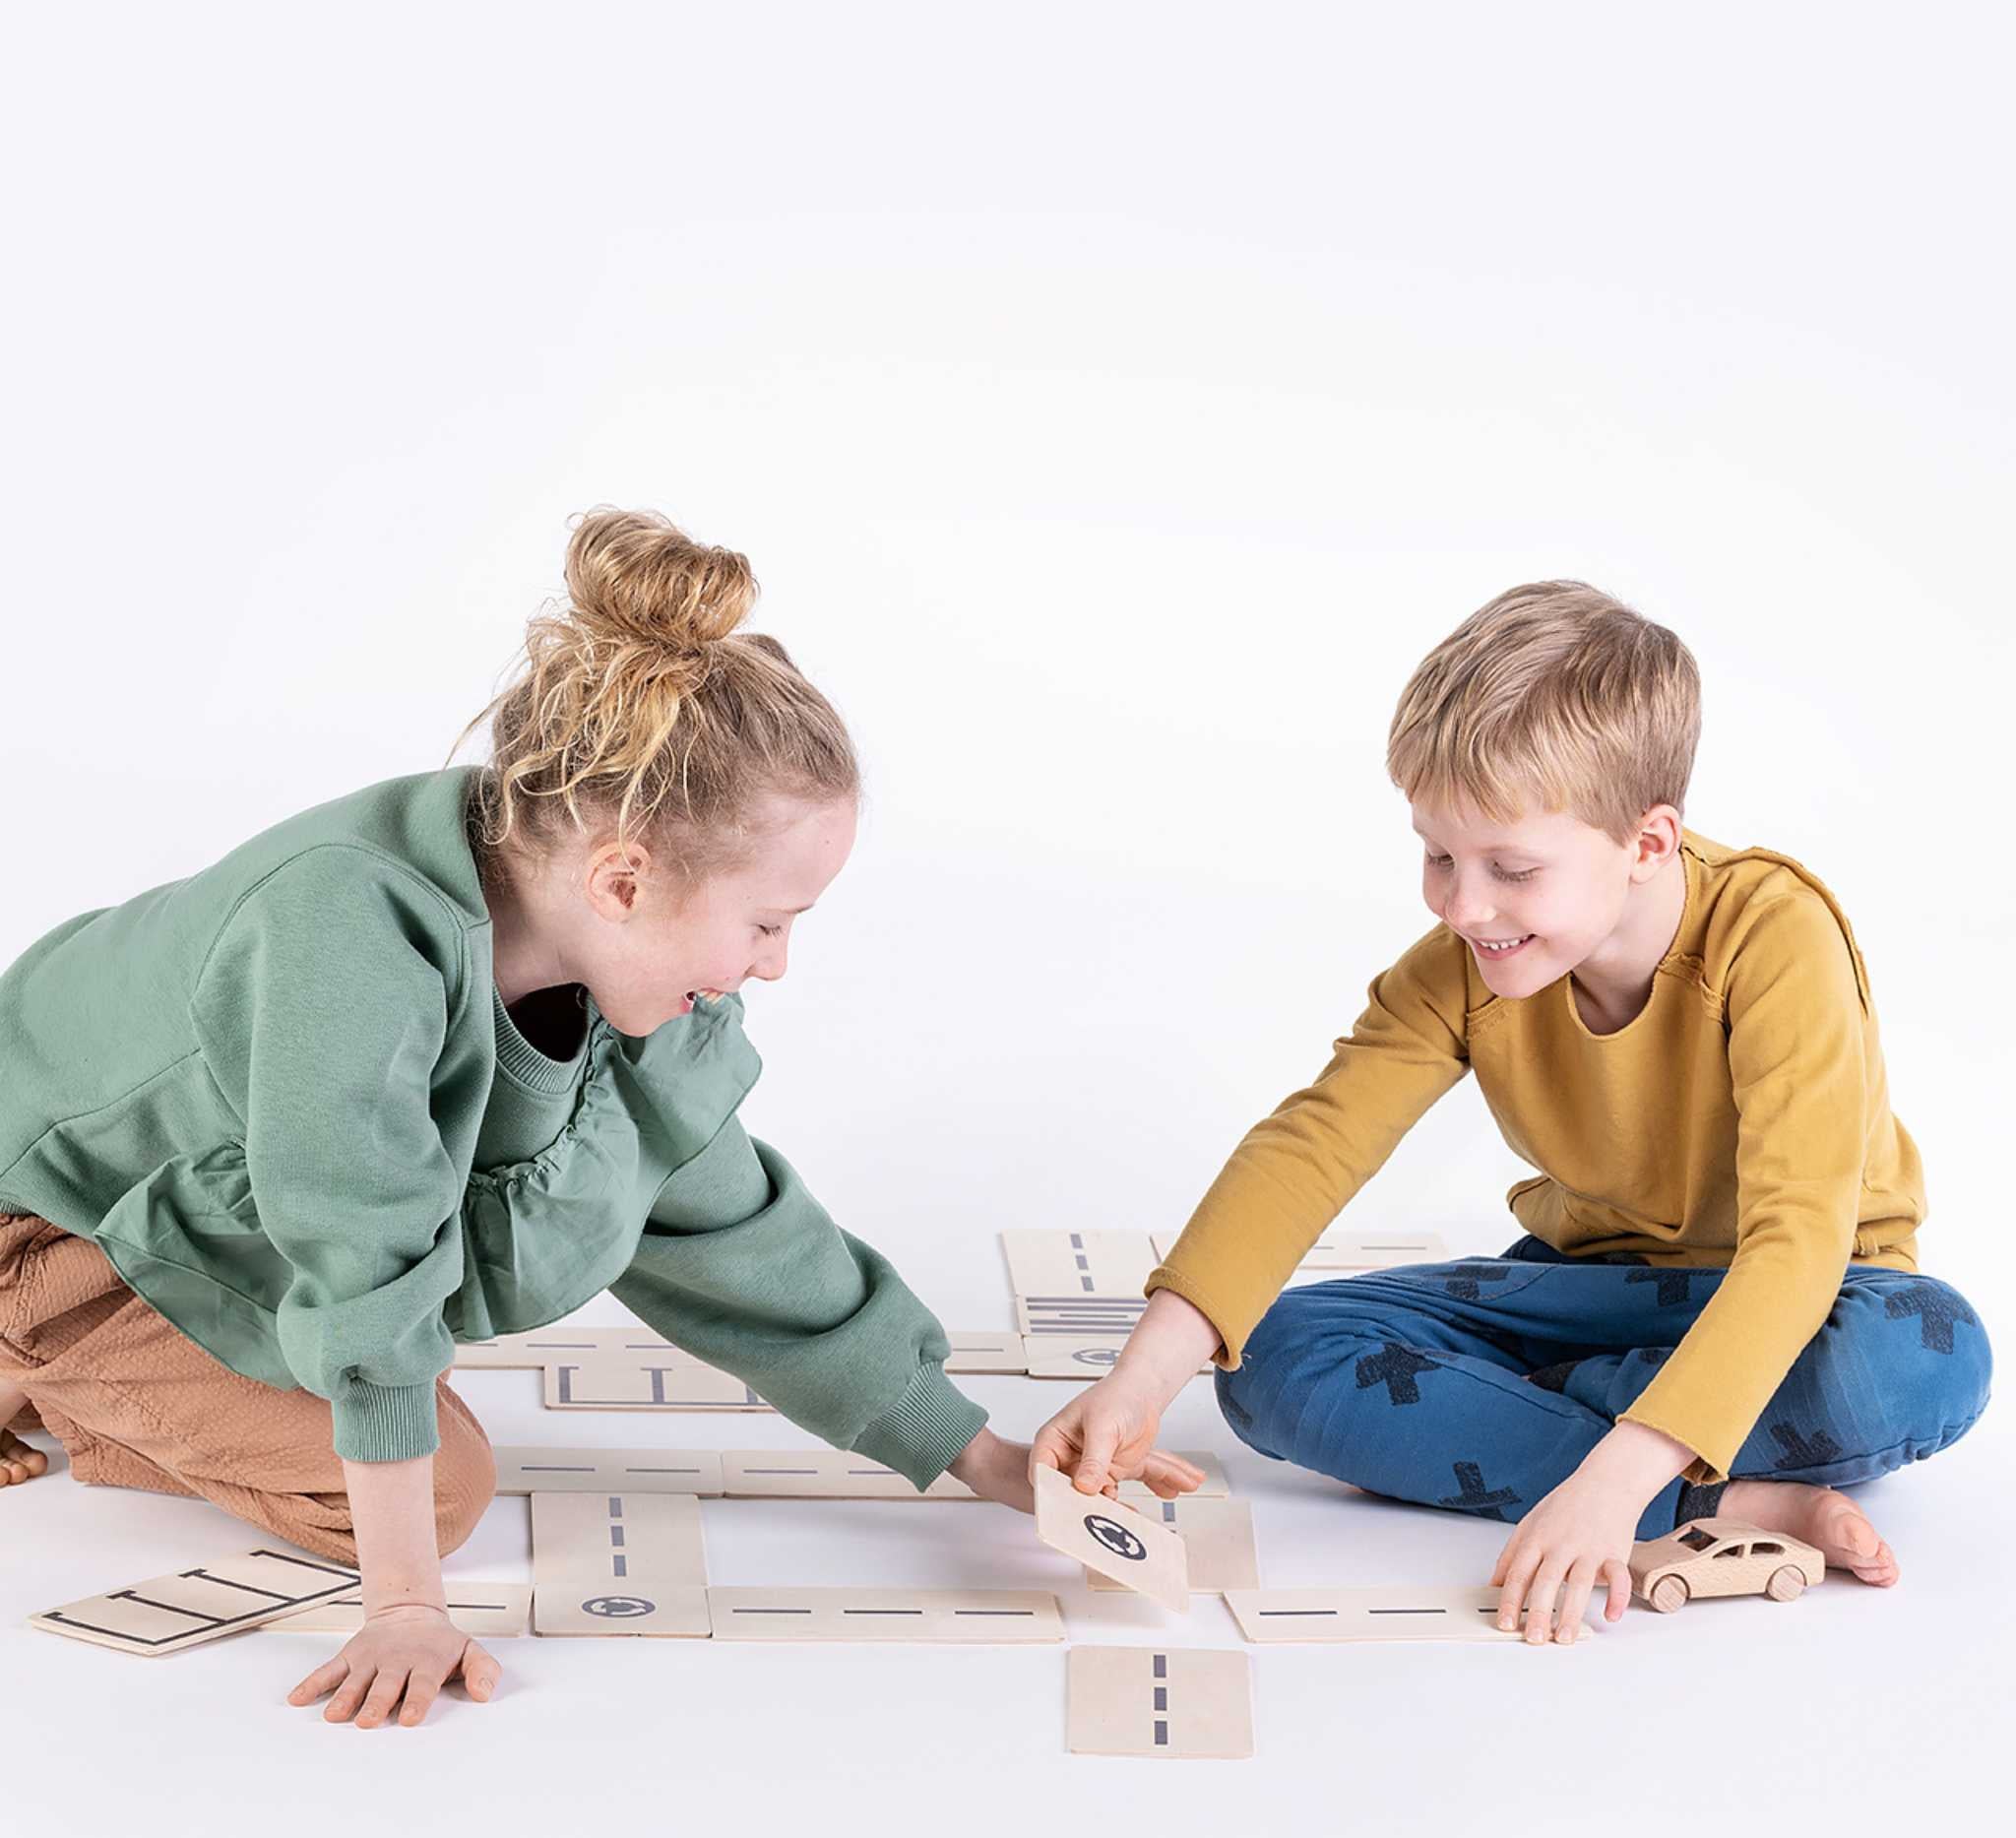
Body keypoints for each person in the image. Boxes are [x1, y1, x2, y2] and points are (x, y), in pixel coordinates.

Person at [0, 505, 1200, 1727]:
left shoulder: (615, 960)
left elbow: (729, 1227)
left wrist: (984, 1461)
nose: (776, 965)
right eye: (769, 922)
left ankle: (73, 1365)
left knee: (415, 1439)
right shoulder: (344, 938)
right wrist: (403, 1596)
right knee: (444, 1487)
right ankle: (26, 1354)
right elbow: (362, 1267)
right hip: (38, 1221)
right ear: (622, 879)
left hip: (171, 1225)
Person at [1031, 579, 1990, 1643]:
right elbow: (1311, 1146)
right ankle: (1714, 1496)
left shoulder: (1774, 936)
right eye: (1437, 853)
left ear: (1646, 841)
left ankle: (1600, 1443)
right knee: (1263, 1360)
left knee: (1928, 1352)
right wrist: (1137, 1379)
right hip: (1589, 1291)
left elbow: (1796, 1242)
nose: (1458, 903)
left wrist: (1616, 1470)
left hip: (1814, 1294)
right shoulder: (1462, 964)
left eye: (1510, 868)